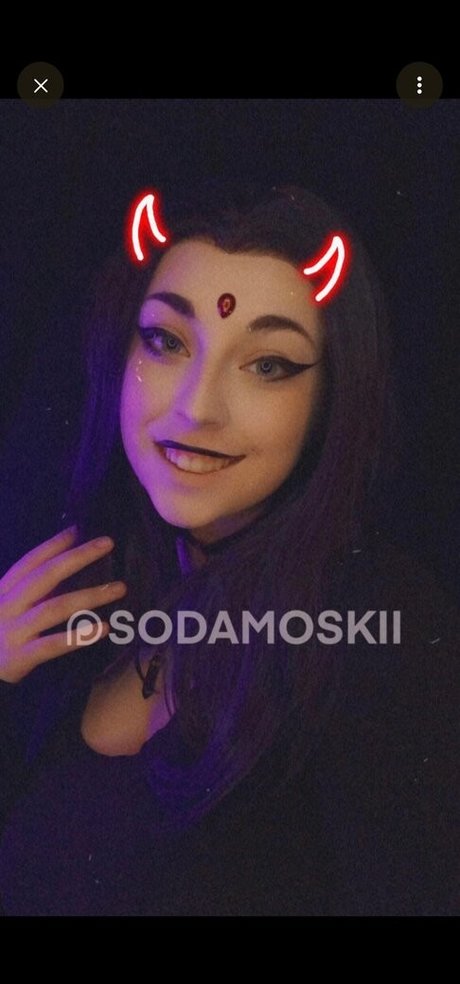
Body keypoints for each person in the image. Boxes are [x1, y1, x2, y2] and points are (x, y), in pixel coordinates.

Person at [0, 184, 458, 917]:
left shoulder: (378, 636)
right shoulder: (85, 587)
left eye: (268, 365)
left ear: (333, 398)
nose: (197, 407)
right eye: (166, 341)